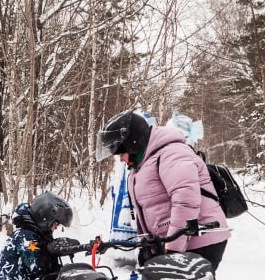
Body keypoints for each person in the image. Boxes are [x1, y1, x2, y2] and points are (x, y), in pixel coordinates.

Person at [97, 111, 230, 269]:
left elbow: (185, 201)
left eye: (121, 152)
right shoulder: (144, 162)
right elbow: (152, 208)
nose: (120, 158)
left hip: (197, 242)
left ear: (133, 142)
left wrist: (173, 251)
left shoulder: (172, 153)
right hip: (172, 242)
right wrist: (149, 246)